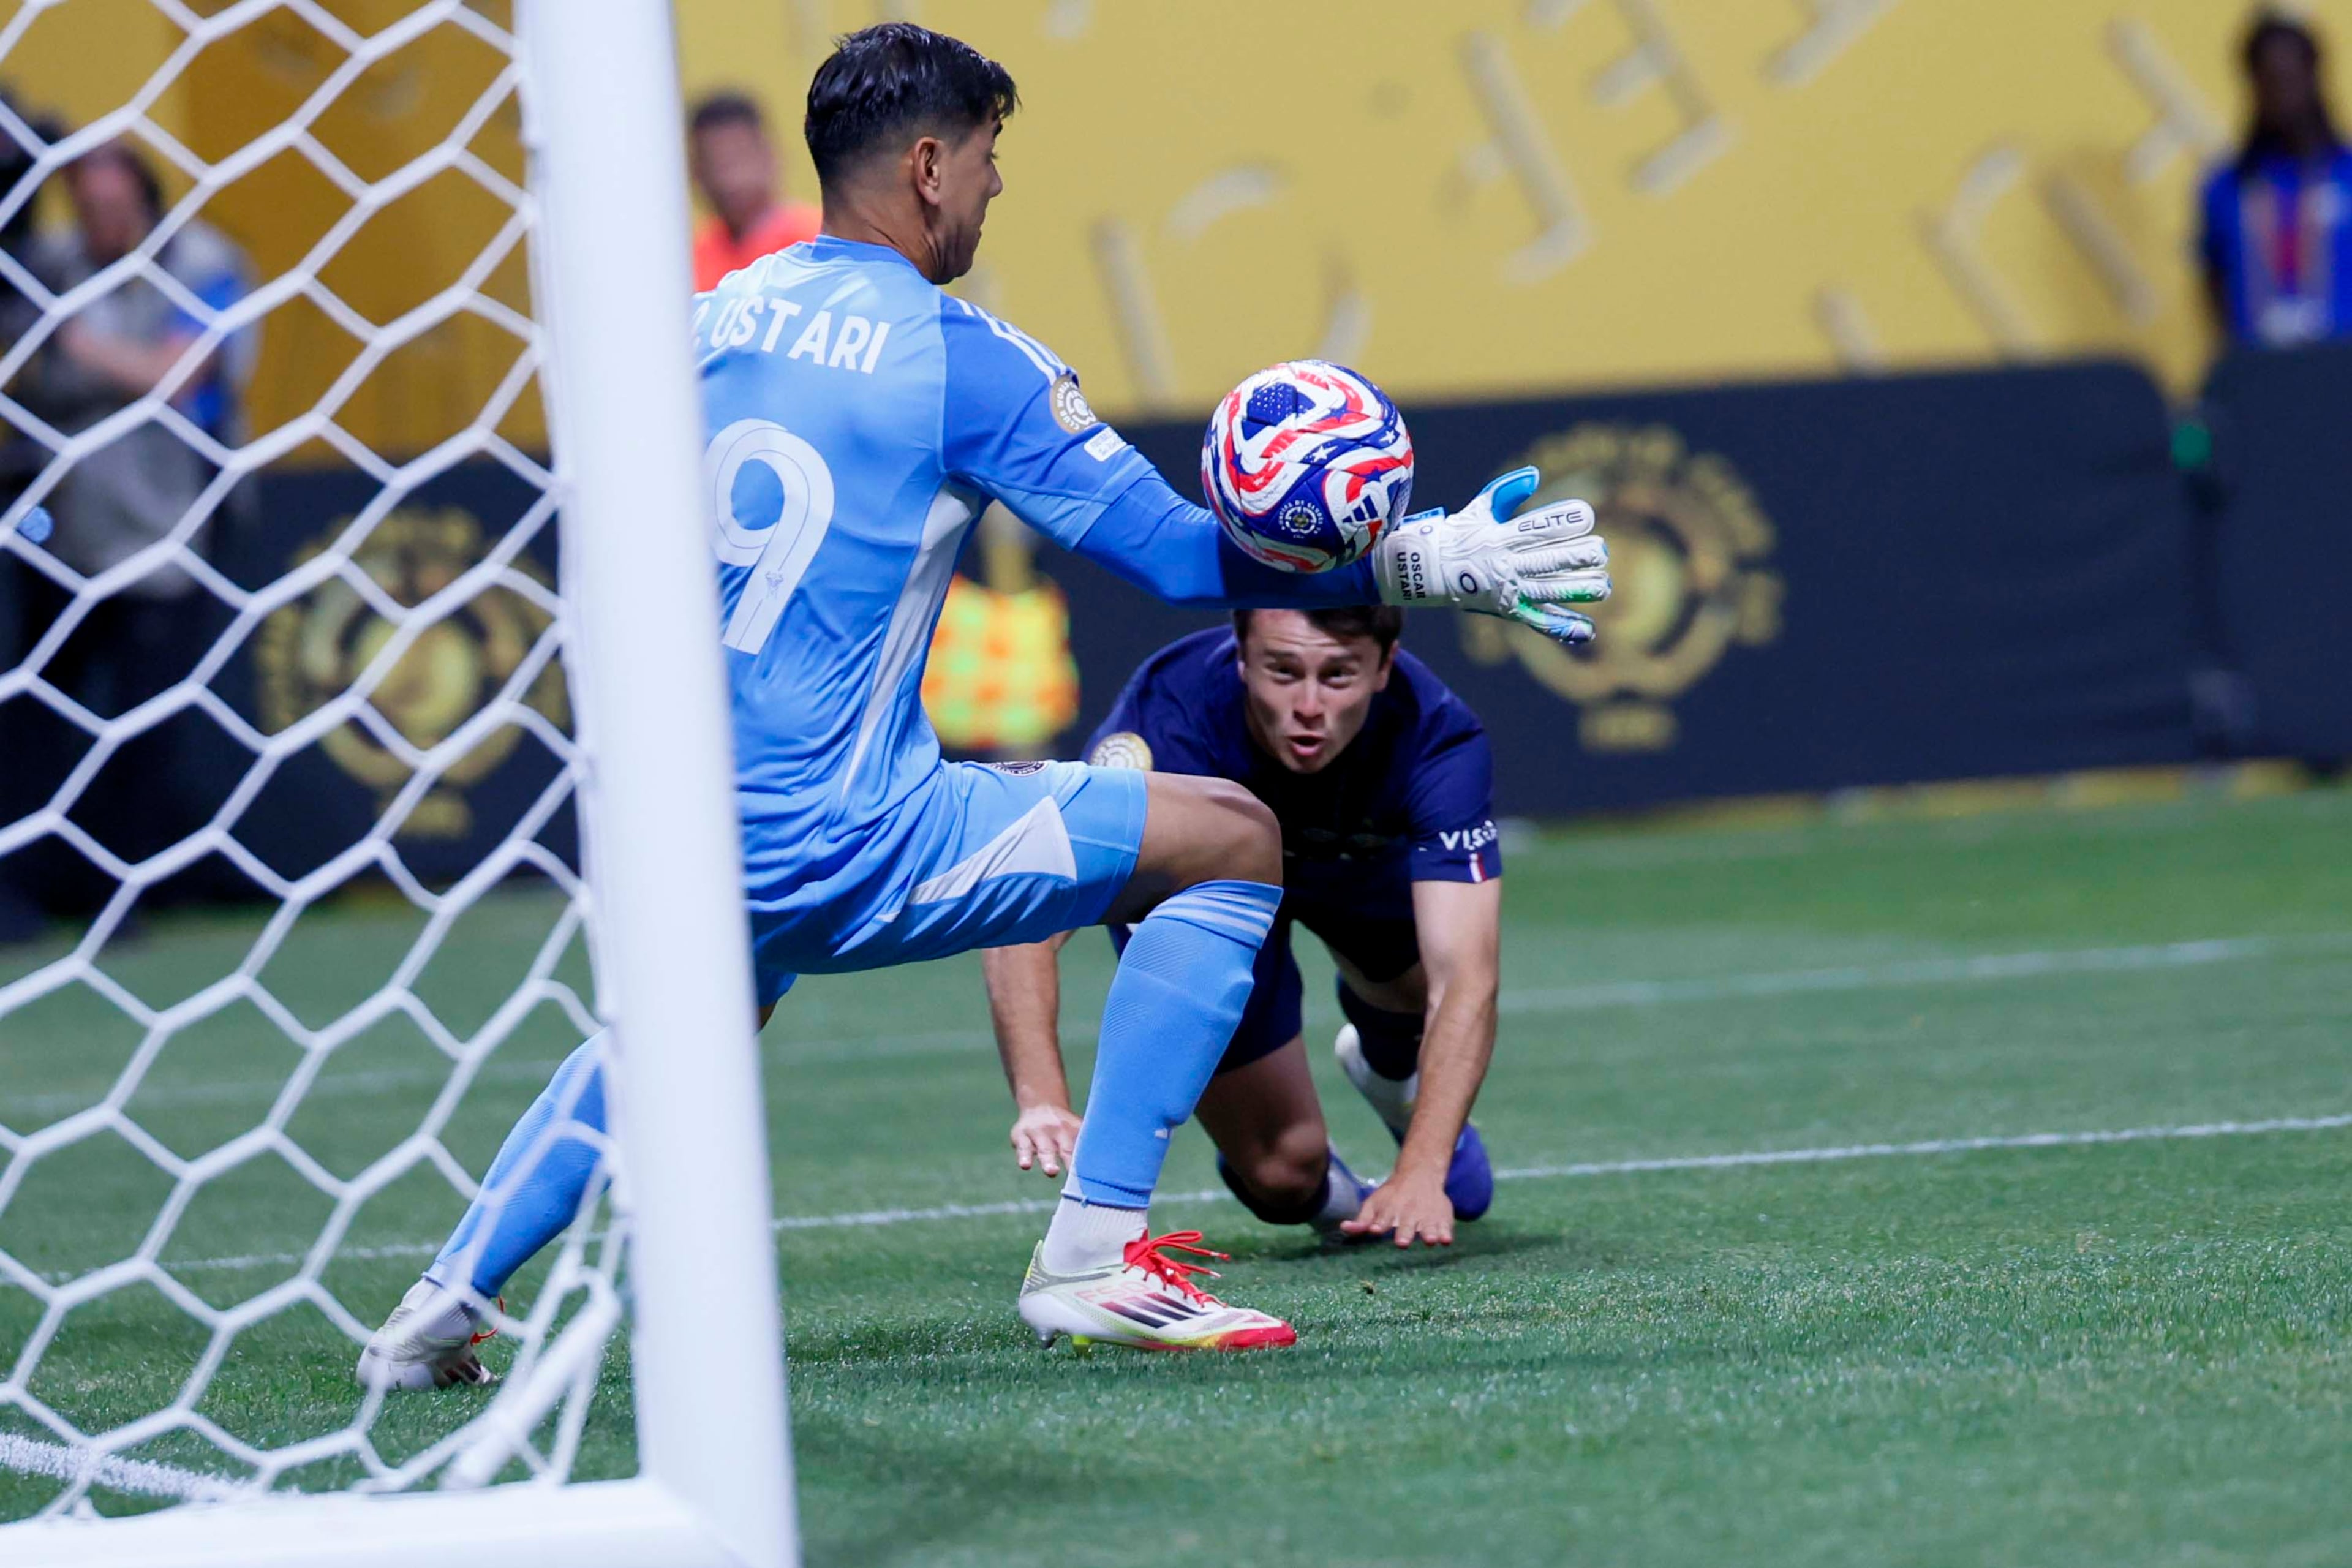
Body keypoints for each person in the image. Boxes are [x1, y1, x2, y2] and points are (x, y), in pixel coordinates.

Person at [359, 21, 1608, 1382]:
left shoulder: (701, 320)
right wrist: (1412, 556)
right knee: (1236, 837)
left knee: (667, 1037)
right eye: (996, 158)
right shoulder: (962, 355)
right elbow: (1186, 556)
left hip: (689, 825)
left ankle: (441, 1300)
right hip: (849, 834)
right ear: (934, 163)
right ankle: (1096, 1252)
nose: (1001, 189)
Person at [984, 606, 1505, 1251]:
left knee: (1425, 979)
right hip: (1207, 891)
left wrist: (1423, 1170)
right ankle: (1351, 1204)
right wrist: (1041, 1095)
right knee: (1282, 1177)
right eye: (1282, 671)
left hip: (1350, 865)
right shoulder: (1164, 728)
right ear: (1241, 657)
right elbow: (1029, 910)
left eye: (1339, 675)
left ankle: (1393, 1072)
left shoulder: (1437, 734)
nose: (1309, 705)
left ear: (1384, 667)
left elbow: (1467, 980)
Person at [12, 140, 252, 913]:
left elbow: (178, 376)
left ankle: (122, 893)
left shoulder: (210, 263)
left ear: (148, 201)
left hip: (168, 533)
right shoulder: (47, 262)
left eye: (116, 210)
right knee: (37, 714)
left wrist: (75, 343)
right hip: (62, 529)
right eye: (88, 211)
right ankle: (29, 889)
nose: (102, 225)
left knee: (147, 722)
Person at [2199, 12, 2352, 347]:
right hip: (2261, 378)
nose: (2283, 97)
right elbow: (2214, 287)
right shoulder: (2227, 187)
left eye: (2290, 79)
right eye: (2269, 82)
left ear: (2313, 77)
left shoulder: (2347, 175)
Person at [687, 91, 822, 291]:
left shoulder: (818, 243)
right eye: (715, 164)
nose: (729, 180)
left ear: (771, 155)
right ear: (695, 173)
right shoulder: (690, 259)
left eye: (740, 158)